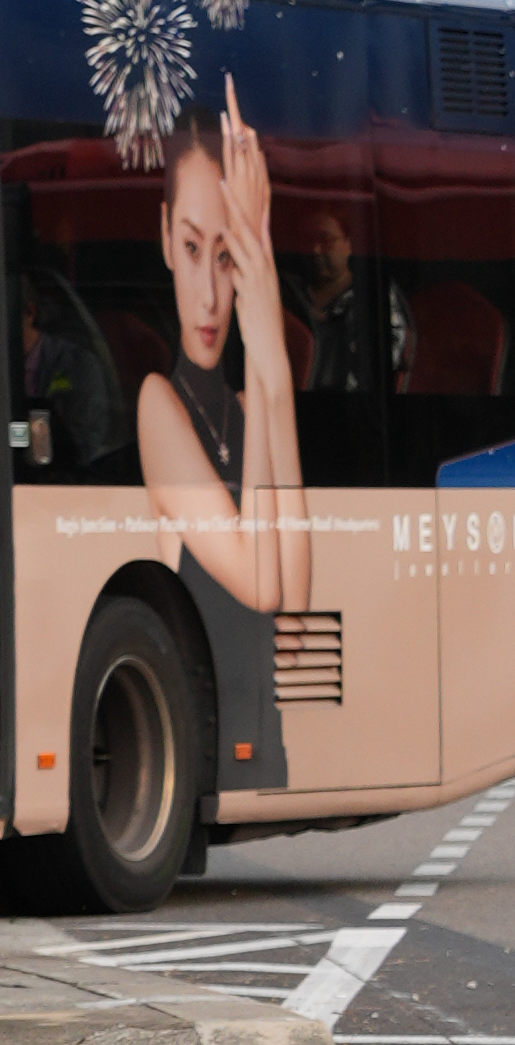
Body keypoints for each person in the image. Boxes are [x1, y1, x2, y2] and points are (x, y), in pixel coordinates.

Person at [135, 99, 310, 788]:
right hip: (216, 739)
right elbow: (266, 584)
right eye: (190, 246)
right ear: (162, 239)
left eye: (228, 256)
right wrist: (264, 337)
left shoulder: (245, 405)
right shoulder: (159, 405)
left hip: (262, 743)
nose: (209, 295)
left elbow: (294, 615)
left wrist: (269, 370)